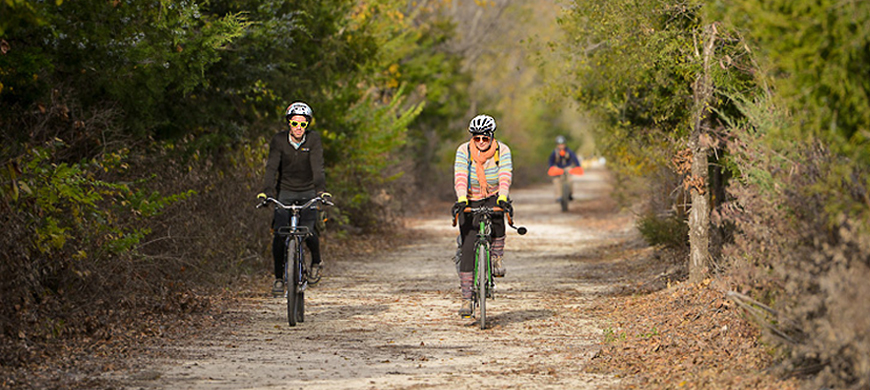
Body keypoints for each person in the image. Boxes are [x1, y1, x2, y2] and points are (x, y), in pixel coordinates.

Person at [258, 102, 330, 297]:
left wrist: (321, 191)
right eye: (294, 123)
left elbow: (318, 167)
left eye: (303, 124)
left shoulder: (313, 140)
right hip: (285, 193)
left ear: (308, 125)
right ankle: (279, 279)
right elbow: (271, 167)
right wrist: (267, 192)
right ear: (288, 123)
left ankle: (316, 262)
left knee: (309, 230)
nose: (298, 128)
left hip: (308, 191)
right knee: (280, 235)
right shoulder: (279, 140)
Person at [451, 114, 513, 318]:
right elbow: (460, 175)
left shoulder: (502, 150)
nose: (480, 142)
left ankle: (496, 258)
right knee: (468, 245)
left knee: (498, 217)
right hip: (470, 197)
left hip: (494, 193)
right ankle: (466, 299)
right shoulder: (464, 151)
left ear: (491, 136)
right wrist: (461, 199)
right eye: (476, 138)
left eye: (485, 138)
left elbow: (505, 174)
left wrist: (503, 197)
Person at [548, 135, 581, 202]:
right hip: (558, 168)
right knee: (556, 181)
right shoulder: (554, 152)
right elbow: (551, 161)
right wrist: (551, 167)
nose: (561, 146)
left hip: (567, 167)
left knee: (570, 180)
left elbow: (575, 159)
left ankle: (570, 194)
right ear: (557, 145)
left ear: (565, 144)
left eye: (562, 144)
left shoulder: (569, 151)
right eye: (559, 145)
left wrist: (578, 166)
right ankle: (558, 196)